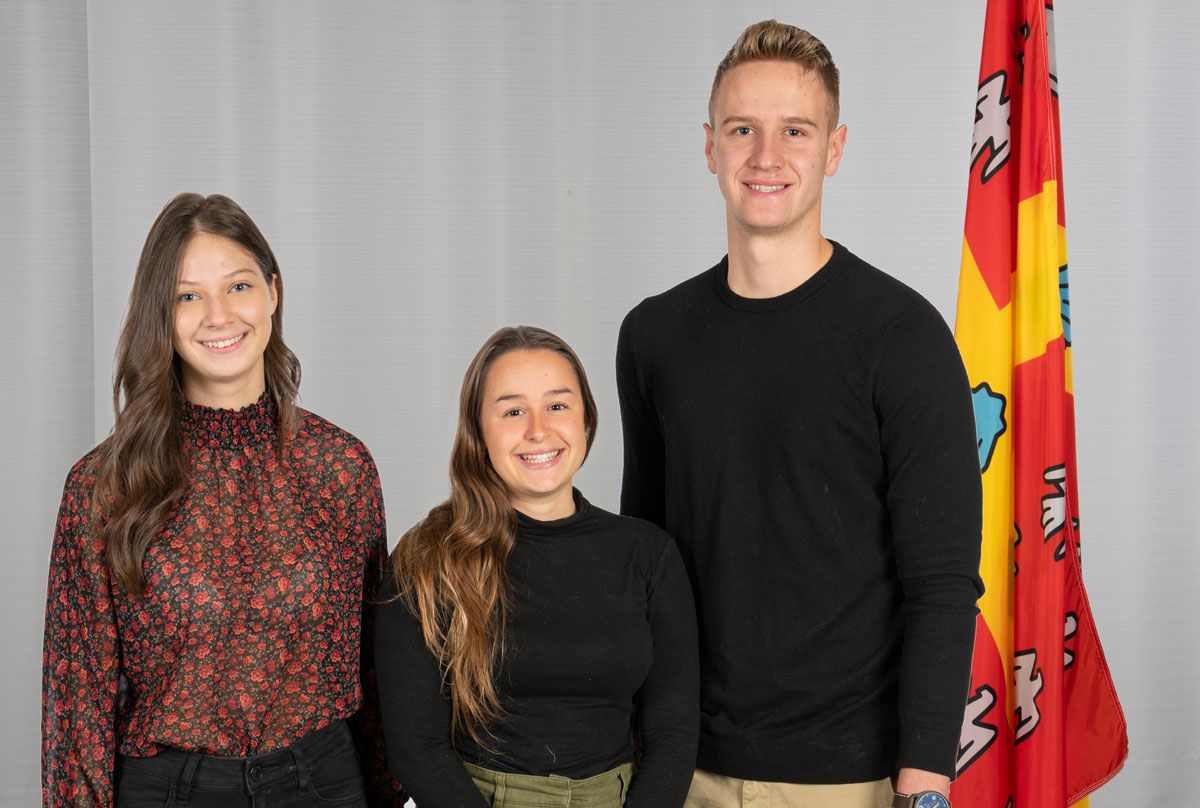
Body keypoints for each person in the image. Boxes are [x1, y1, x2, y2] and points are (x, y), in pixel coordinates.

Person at [616, 20, 983, 808]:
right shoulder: (654, 336)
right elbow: (643, 557)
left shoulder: (902, 337)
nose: (766, 157)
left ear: (836, 149)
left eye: (795, 131)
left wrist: (925, 782)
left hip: (848, 775)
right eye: (742, 129)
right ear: (709, 145)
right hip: (680, 764)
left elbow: (943, 585)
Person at [41, 193, 404, 807]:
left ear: (272, 292)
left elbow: (375, 666)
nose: (218, 315)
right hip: (168, 789)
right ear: (162, 314)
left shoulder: (342, 468)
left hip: (323, 783)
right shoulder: (104, 486)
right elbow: (78, 695)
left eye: (237, 286)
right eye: (188, 296)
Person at [376, 325, 699, 807]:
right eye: (512, 411)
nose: (538, 431)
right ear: (478, 432)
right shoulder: (427, 559)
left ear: (586, 419)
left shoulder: (647, 555)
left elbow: (673, 731)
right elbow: (416, 749)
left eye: (557, 405)